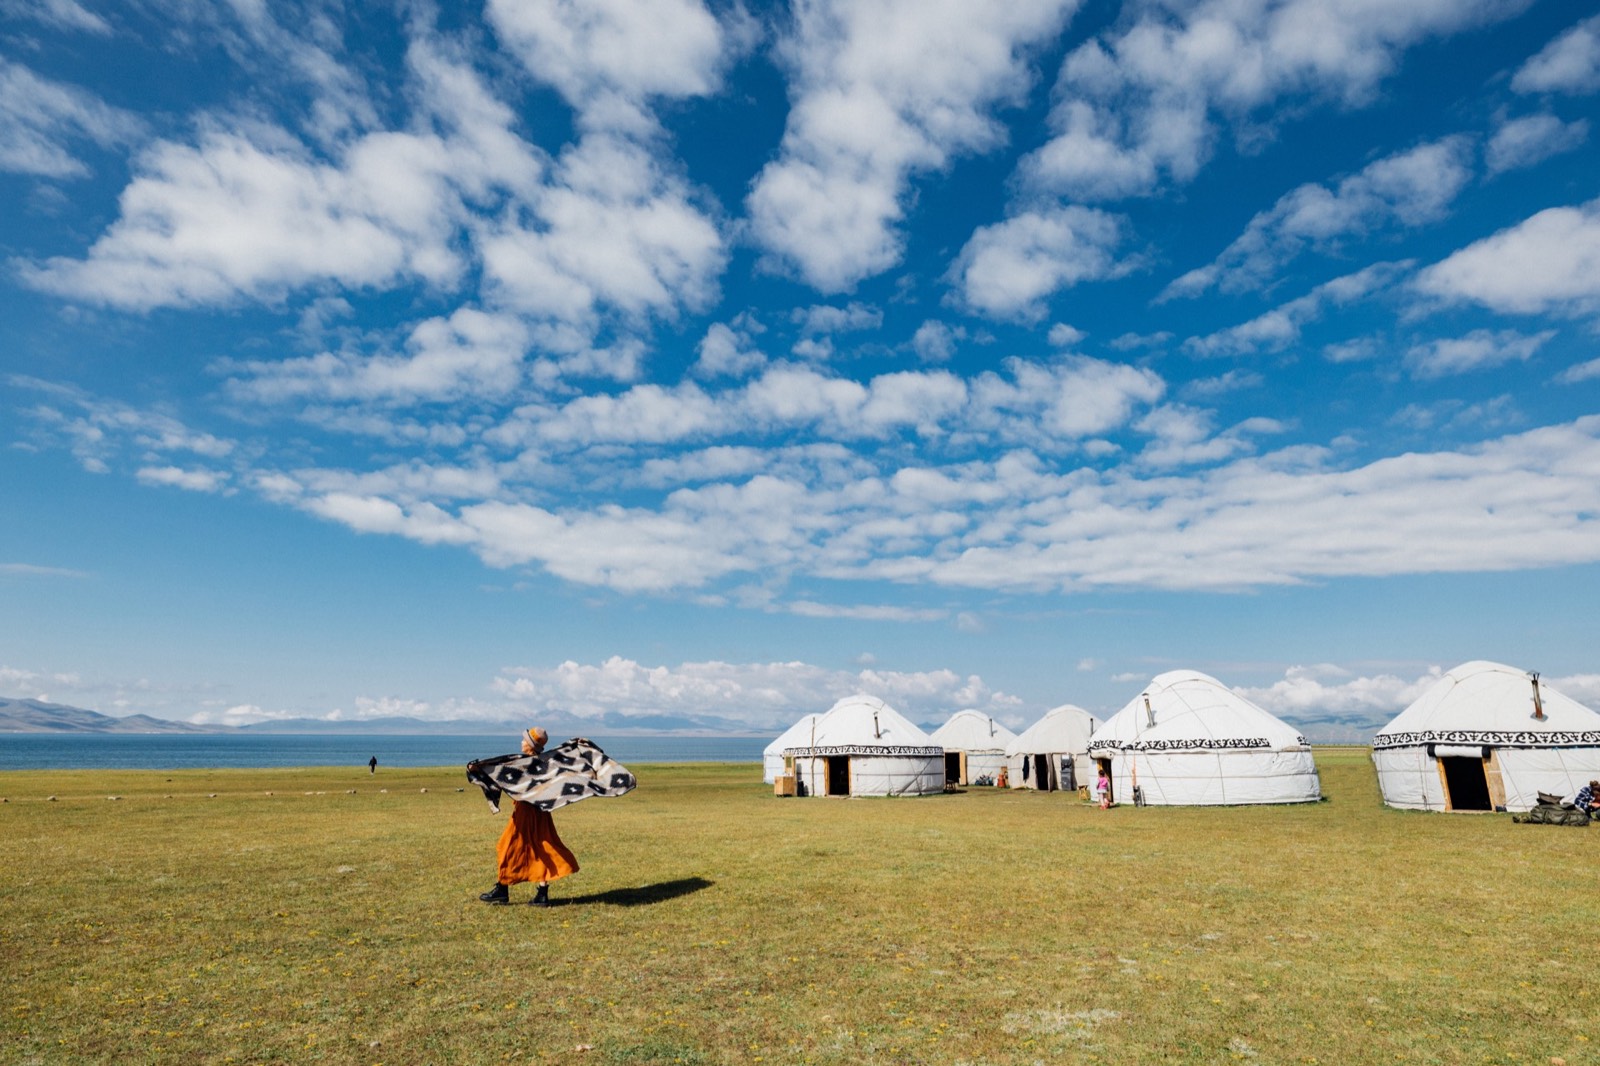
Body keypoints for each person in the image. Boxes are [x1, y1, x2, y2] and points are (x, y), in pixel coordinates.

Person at [474, 727, 578, 907]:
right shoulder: (544, 763)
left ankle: (502, 889)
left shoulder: (527, 763)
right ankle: (541, 895)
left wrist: (478, 768)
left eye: (524, 740)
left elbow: (501, 774)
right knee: (541, 847)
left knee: (506, 846)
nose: (521, 742)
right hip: (541, 812)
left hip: (526, 812)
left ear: (531, 745)